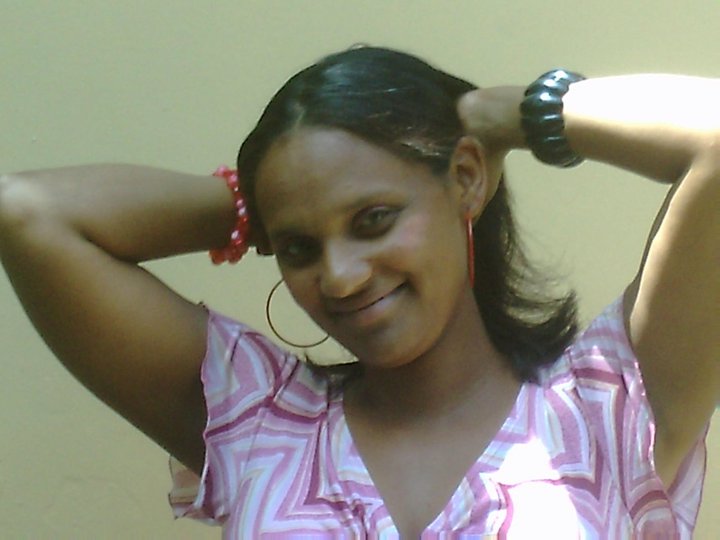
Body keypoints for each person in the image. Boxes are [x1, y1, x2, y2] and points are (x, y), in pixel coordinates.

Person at [0, 47, 716, 538]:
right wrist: (260, 203)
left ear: (466, 179)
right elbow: (29, 214)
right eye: (300, 248)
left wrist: (508, 115)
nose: (340, 276)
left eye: (374, 220)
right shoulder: (259, 422)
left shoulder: (609, 410)